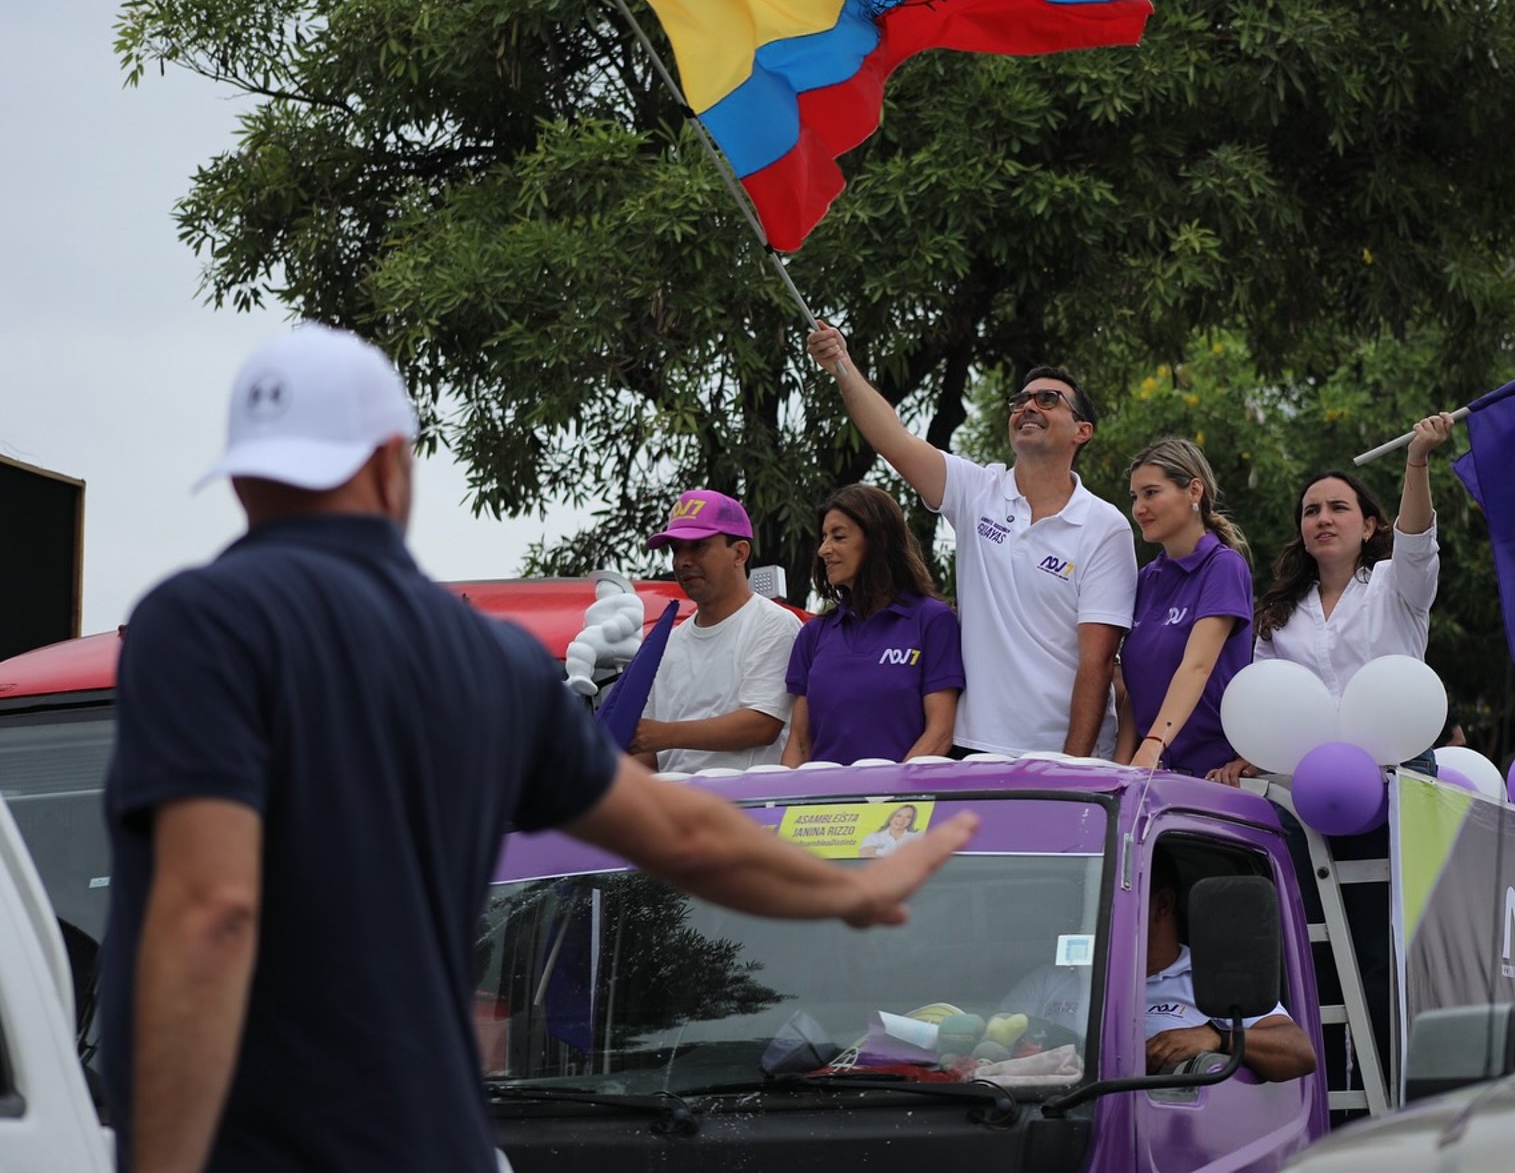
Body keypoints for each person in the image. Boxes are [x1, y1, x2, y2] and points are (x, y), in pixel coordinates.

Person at [97, 326, 976, 1173]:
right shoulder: (488, 660)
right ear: (390, 466)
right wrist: (852, 891)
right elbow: (686, 834)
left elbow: (211, 909)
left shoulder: (202, 625)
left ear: (243, 480)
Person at [806, 324, 1135, 757]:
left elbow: (1097, 662)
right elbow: (895, 441)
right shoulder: (977, 491)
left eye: (1048, 400)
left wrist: (1071, 765)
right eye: (1020, 401)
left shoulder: (1105, 526)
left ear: (1082, 431)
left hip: (1061, 755)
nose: (1028, 407)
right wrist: (841, 366)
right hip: (973, 748)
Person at [1212, 416, 1454, 784]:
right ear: (1302, 532)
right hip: (1310, 778)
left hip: (1399, 770)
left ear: (1369, 526)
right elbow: (1271, 701)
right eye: (1312, 511)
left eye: (1338, 508)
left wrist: (1417, 460)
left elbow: (1417, 542)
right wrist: (1252, 756)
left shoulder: (1398, 584)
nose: (1324, 519)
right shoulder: (1280, 613)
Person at [1002, 856, 1316, 1083]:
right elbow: (992, 1046)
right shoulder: (1051, 979)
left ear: (1163, 904)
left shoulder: (1216, 977)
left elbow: (1299, 1053)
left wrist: (1218, 1038)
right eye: (1089, 903)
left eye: (1110, 900)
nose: (1093, 915)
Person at [782, 485, 964, 766]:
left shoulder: (933, 621)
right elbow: (799, 743)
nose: (823, 549)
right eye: (824, 537)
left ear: (879, 540)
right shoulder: (812, 634)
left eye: (838, 537)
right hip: (821, 806)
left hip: (903, 804)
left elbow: (940, 733)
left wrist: (886, 796)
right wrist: (784, 805)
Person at [628, 489, 804, 774]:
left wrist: (665, 735)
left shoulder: (773, 623)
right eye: (676, 549)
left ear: (740, 553)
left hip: (746, 811)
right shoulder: (668, 642)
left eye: (697, 546)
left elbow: (762, 725)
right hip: (674, 809)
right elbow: (648, 751)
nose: (682, 561)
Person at [1116, 439, 1255, 778]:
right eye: (1135, 497)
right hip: (1155, 774)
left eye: (1151, 493)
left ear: (1194, 490)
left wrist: (1152, 745)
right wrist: (1119, 768)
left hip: (1216, 774)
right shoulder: (1146, 579)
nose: (1139, 508)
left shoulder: (1223, 566)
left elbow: (1196, 666)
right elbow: (1139, 686)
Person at [858, 805, 924, 857]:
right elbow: (866, 855)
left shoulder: (918, 836)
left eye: (908, 817)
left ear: (911, 820)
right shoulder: (873, 837)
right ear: (891, 817)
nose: (902, 820)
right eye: (898, 816)